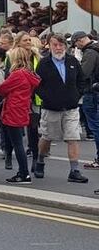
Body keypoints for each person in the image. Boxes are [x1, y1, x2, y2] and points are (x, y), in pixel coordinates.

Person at [33, 34, 90, 183]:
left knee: (73, 137)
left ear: (65, 46)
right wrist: (48, 98)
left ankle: (74, 170)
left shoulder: (72, 61)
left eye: (61, 45)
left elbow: (82, 80)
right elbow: (37, 85)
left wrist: (77, 95)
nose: (58, 48)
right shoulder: (44, 64)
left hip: (71, 107)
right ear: (49, 46)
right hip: (51, 108)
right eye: (55, 45)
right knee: (47, 137)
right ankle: (40, 161)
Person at [0, 48, 40, 184]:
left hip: (13, 110)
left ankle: (24, 173)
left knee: (17, 144)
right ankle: (23, 172)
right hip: (22, 108)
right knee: (18, 142)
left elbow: (2, 89)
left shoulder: (17, 74)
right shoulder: (28, 73)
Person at [71, 31, 99, 169]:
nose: (76, 46)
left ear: (79, 41)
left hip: (92, 92)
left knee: (95, 126)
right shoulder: (96, 49)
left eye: (75, 43)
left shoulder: (90, 53)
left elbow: (84, 73)